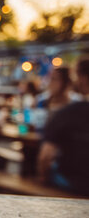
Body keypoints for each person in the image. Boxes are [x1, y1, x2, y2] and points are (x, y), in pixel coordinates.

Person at [38, 56, 89, 196]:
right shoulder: (44, 101)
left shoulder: (72, 111)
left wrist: (43, 179)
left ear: (82, 78)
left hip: (74, 181)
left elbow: (45, 156)